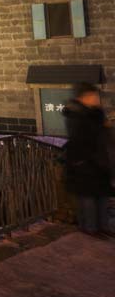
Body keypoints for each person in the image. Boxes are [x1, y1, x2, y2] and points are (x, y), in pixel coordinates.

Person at [63, 82, 111, 236]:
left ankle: (103, 227)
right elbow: (80, 140)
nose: (97, 98)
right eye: (93, 96)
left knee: (102, 196)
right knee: (88, 198)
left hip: (100, 161)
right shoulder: (76, 114)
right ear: (85, 97)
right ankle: (90, 228)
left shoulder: (96, 113)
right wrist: (81, 162)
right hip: (84, 162)